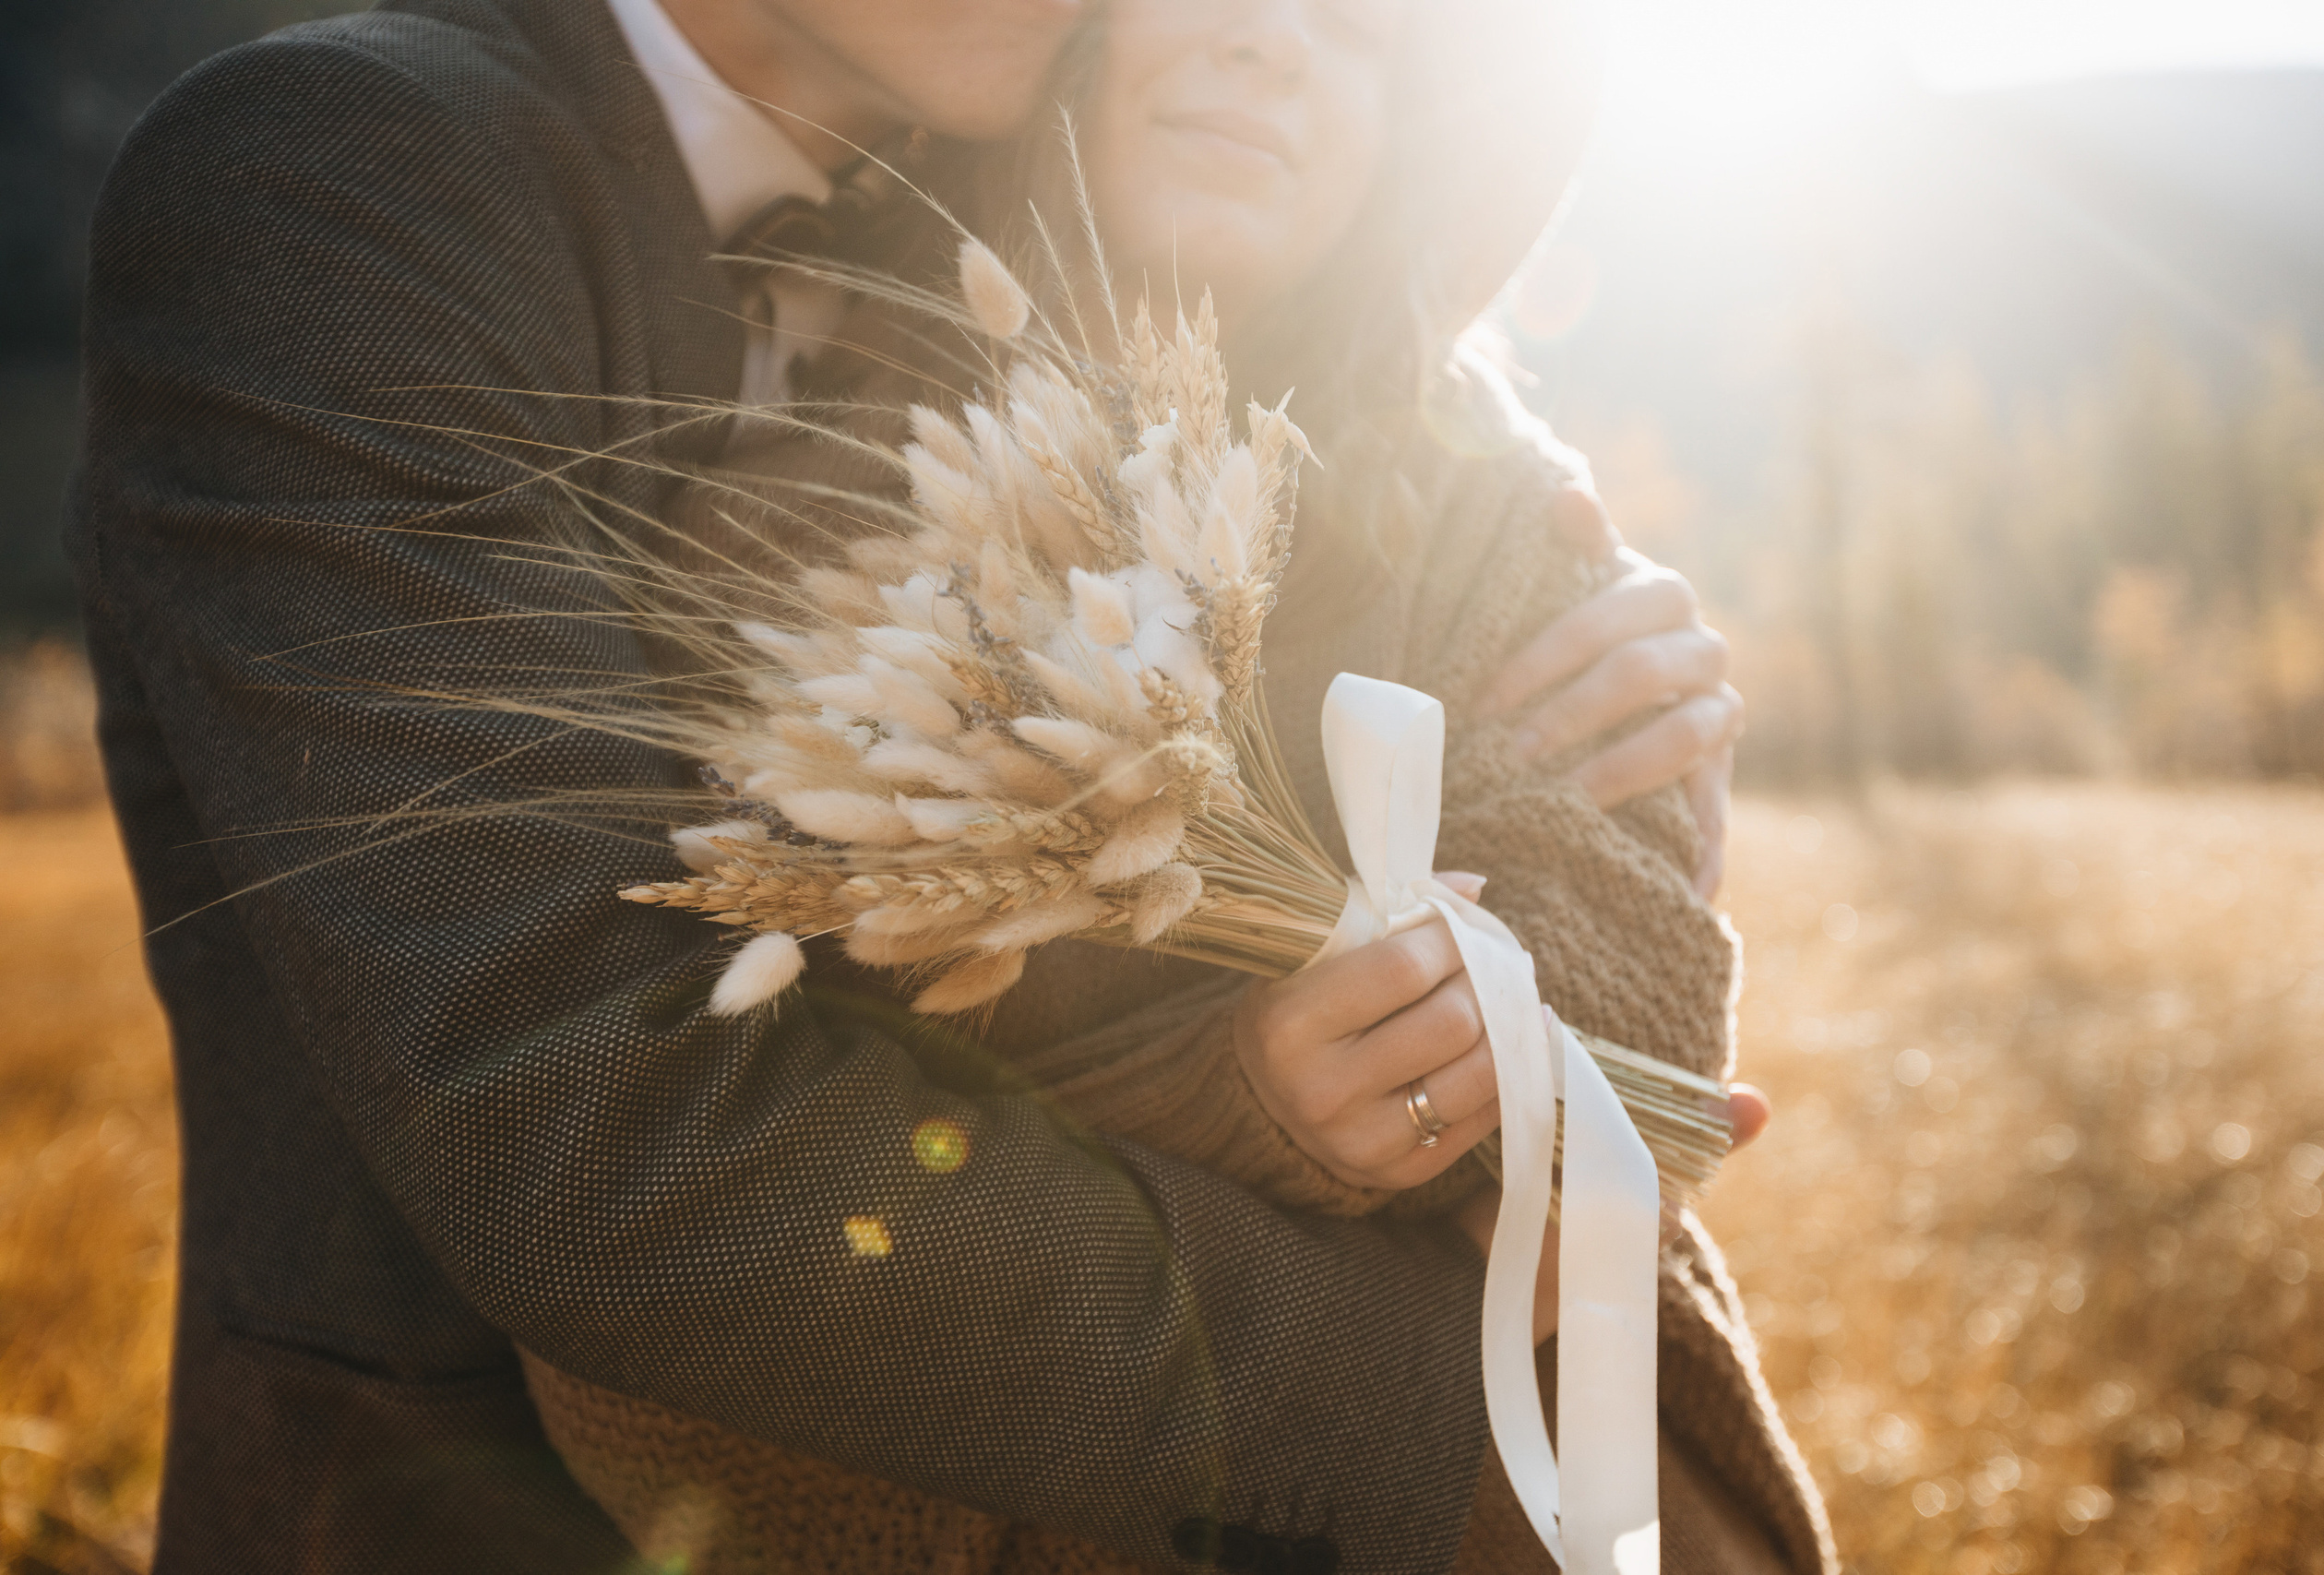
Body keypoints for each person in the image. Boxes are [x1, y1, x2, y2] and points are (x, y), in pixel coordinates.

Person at [69, 2, 1744, 1572]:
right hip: (451, 1509)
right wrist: (1421, 1326)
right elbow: (595, 1119)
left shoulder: (1080, 263)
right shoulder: (350, 175)